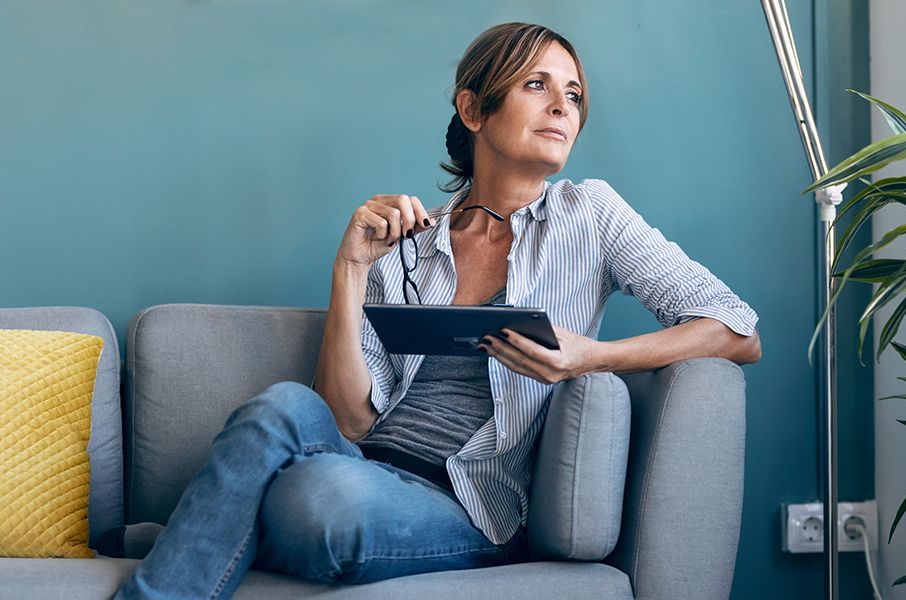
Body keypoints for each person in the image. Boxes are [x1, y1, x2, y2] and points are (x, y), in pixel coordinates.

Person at [114, 21, 760, 599]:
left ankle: (199, 528)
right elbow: (349, 421)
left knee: (320, 499)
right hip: (361, 463)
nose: (563, 105)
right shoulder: (407, 243)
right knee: (282, 404)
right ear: (473, 109)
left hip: (465, 505)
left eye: (574, 93)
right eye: (537, 84)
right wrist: (350, 268)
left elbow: (735, 328)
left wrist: (592, 357)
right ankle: (206, 538)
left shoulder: (589, 215)